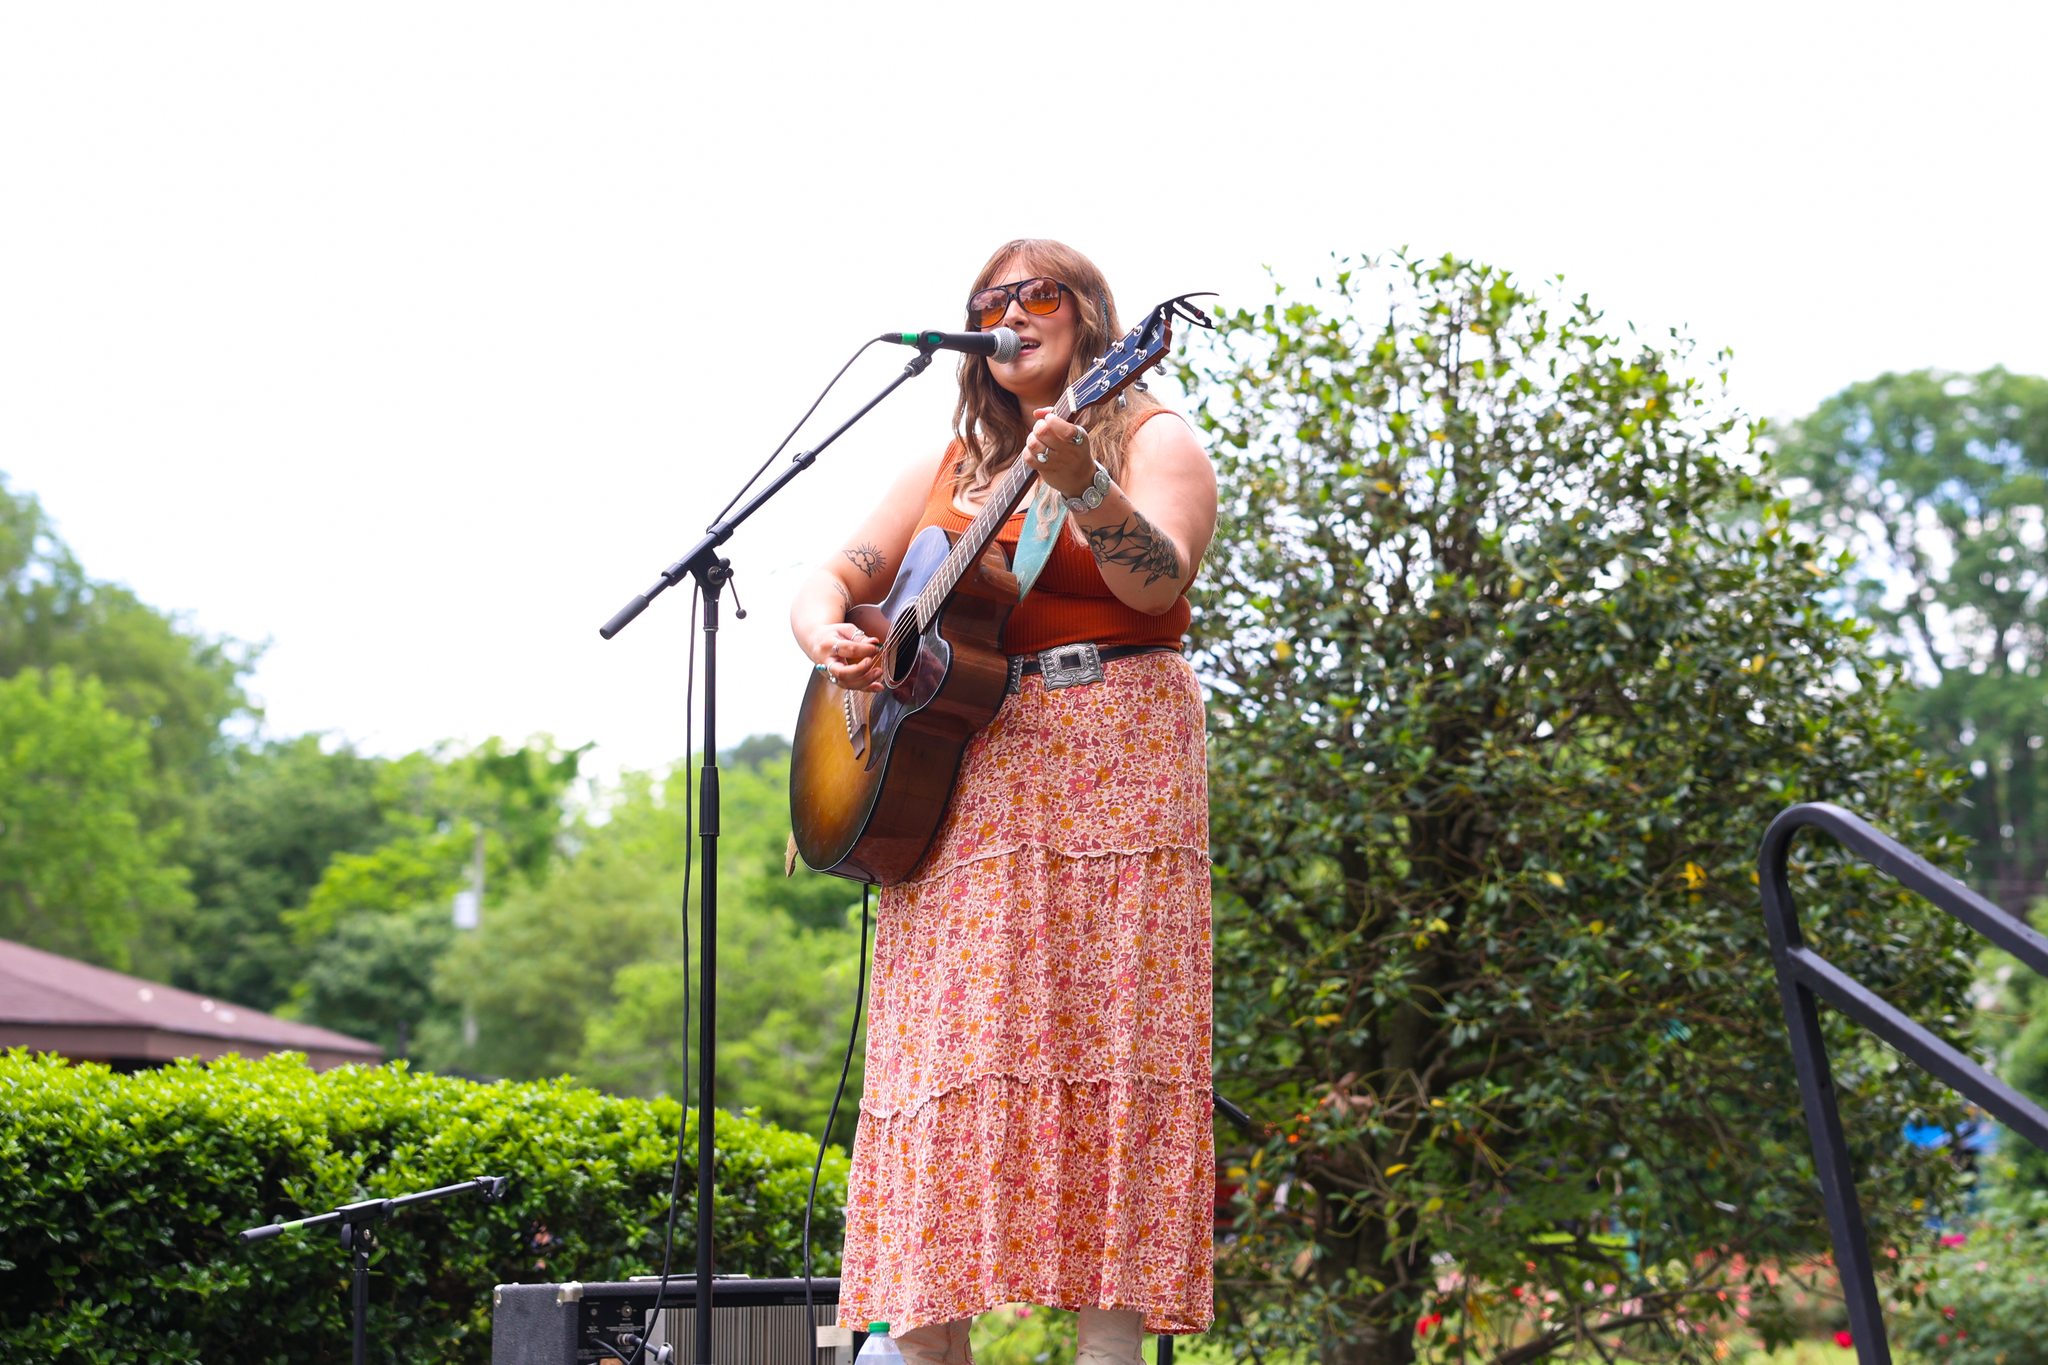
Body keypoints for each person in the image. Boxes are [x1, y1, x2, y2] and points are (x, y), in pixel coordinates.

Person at [789, 239, 1217, 1365]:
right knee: (952, 1057)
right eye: (989, 301)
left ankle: (1107, 1343)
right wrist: (825, 626)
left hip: (1110, 752)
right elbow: (837, 570)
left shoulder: (1150, 433)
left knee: (1105, 1035)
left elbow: (1160, 581)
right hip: (962, 778)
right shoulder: (952, 458)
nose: (1010, 313)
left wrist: (1080, 478)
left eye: (1036, 295)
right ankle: (928, 1341)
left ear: (1085, 316)